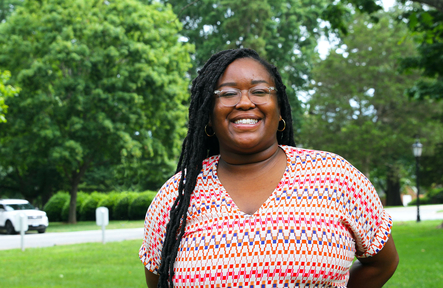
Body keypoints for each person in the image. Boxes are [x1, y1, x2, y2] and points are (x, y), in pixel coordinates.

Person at [139, 48, 399, 288]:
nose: (244, 102)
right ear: (208, 113)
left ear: (280, 106)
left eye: (259, 91)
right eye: (228, 93)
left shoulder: (336, 176)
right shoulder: (176, 196)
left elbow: (383, 263)